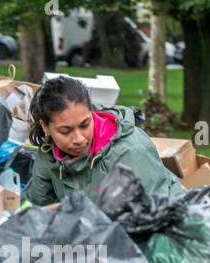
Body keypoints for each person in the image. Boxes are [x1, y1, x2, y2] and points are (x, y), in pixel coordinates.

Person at [23, 75, 182, 205]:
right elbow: (37, 209)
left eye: (85, 124)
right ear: (45, 127)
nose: (78, 139)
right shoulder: (49, 155)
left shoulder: (131, 151)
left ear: (91, 111)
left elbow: (153, 217)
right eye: (66, 131)